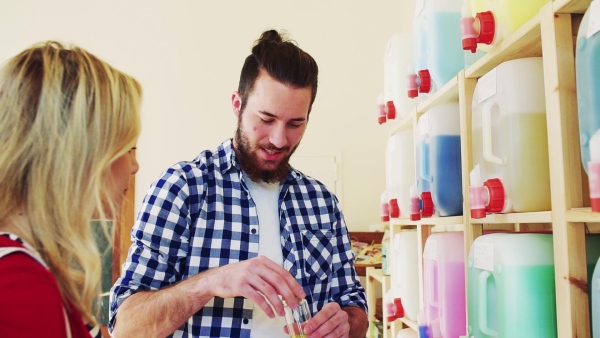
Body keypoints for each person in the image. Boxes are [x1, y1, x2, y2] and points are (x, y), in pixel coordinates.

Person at [109, 29, 368, 338]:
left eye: (295, 124)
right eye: (266, 119)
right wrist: (211, 282)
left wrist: (347, 323)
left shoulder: (322, 202)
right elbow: (126, 327)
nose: (278, 139)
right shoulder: (181, 189)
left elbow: (354, 305)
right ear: (237, 104)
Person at [0, 41, 142, 337]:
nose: (134, 166)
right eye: (127, 148)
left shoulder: (42, 263)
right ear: (81, 155)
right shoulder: (21, 290)